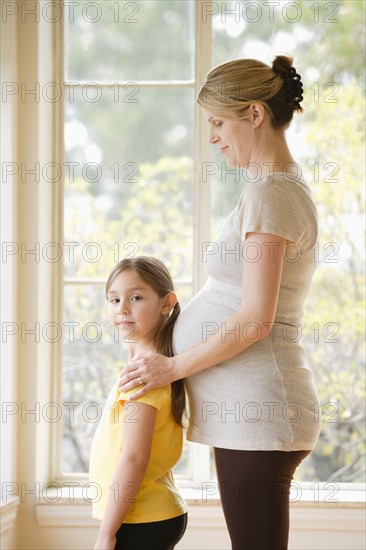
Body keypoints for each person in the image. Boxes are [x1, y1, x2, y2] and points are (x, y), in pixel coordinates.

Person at [118, 55, 322, 550]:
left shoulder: (270, 193)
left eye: (217, 122)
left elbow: (255, 320)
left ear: (254, 114)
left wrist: (172, 367)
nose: (212, 136)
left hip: (259, 406)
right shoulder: (272, 189)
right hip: (249, 408)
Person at [89, 256, 188, 550]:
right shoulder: (145, 368)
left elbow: (134, 458)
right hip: (143, 515)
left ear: (166, 303)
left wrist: (106, 534)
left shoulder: (145, 376)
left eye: (135, 297)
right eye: (114, 299)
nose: (122, 309)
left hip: (141, 518)